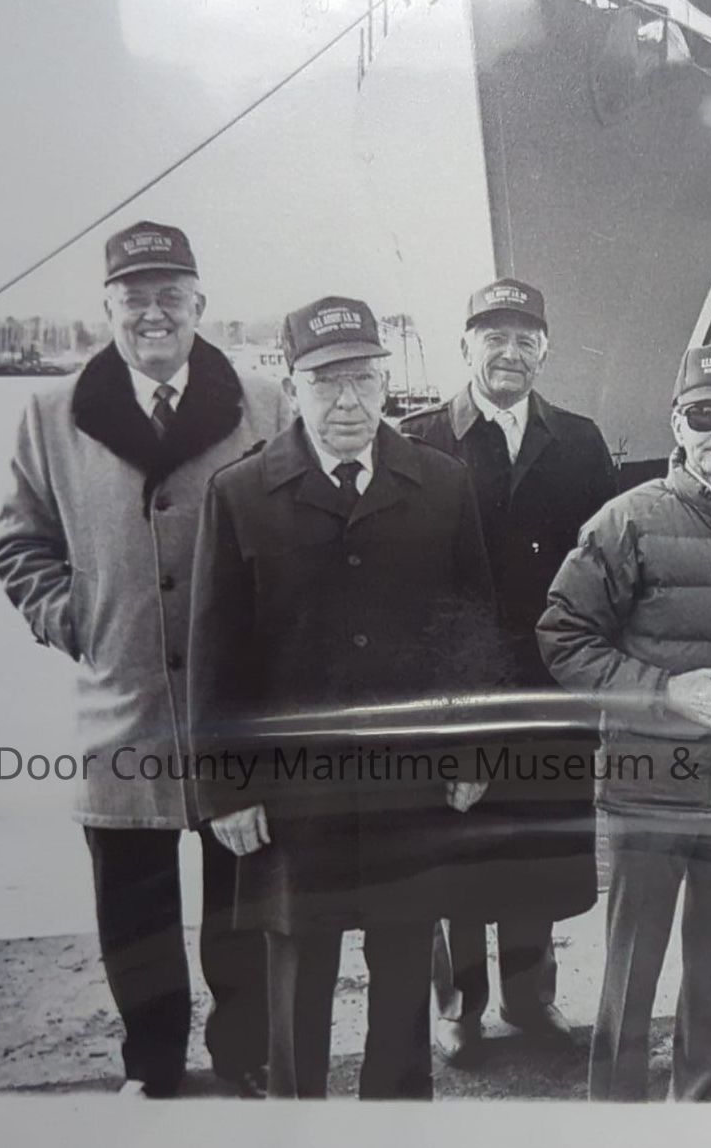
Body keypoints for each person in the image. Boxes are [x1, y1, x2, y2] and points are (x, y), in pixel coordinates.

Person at [0, 220, 290, 1100]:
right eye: (134, 297)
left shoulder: (265, 404)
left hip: (238, 708)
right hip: (120, 703)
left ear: (200, 303)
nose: (152, 313)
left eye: (170, 295)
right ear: (106, 307)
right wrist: (74, 619)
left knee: (244, 901)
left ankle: (245, 1055)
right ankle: (151, 1067)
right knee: (134, 907)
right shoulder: (51, 415)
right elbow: (19, 544)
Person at [187, 296, 504, 1100]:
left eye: (363, 379)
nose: (348, 401)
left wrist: (474, 751)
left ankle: (395, 1123)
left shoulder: (441, 483)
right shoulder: (241, 492)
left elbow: (471, 633)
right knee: (299, 963)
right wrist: (227, 789)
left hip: (410, 781)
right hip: (294, 792)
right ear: (290, 385)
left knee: (403, 958)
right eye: (325, 382)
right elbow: (216, 657)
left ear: (386, 382)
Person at [535, 346, 711, 1102]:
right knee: (632, 968)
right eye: (703, 413)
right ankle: (617, 1112)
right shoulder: (626, 520)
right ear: (676, 422)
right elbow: (563, 637)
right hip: (649, 791)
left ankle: (699, 1107)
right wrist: (666, 692)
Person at [399, 279, 615, 1064]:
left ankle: (530, 999)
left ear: (545, 350)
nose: (510, 352)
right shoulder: (419, 440)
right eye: (493, 336)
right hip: (455, 689)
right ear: (464, 346)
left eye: (525, 338)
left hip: (547, 684)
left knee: (535, 851)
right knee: (456, 851)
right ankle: (459, 1008)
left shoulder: (579, 442)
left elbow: (601, 565)